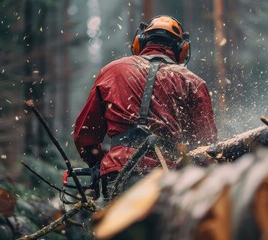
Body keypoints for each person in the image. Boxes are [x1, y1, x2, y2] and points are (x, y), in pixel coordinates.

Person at [73, 15, 217, 202]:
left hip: (119, 172)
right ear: (182, 50)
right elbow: (206, 144)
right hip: (169, 176)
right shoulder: (192, 82)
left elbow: (84, 136)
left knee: (116, 229)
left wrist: (100, 163)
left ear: (140, 42)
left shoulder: (112, 71)